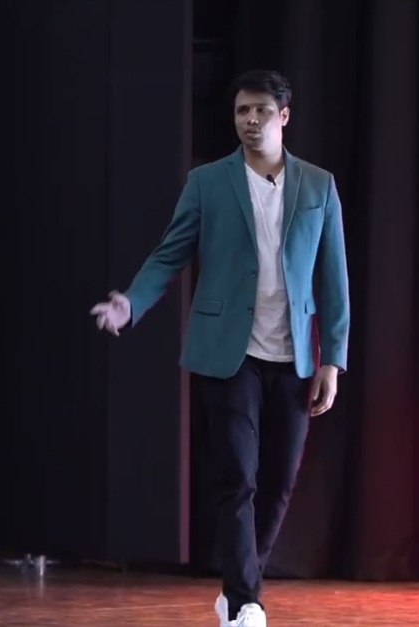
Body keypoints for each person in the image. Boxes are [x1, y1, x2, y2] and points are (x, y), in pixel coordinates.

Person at [89, 69, 350, 627]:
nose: (250, 120)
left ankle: (239, 588)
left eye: (261, 110)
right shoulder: (207, 182)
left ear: (284, 116)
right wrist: (130, 303)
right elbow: (169, 254)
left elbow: (334, 280)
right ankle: (246, 600)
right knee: (238, 479)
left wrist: (332, 359)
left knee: (278, 484)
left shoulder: (318, 186)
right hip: (228, 355)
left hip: (295, 357)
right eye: (241, 111)